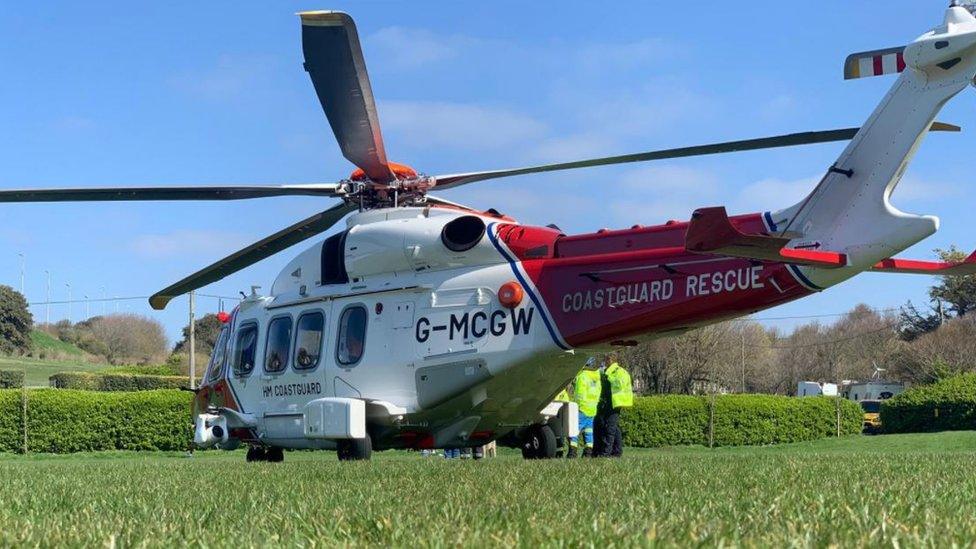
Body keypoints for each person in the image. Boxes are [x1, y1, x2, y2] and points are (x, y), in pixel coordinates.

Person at [595, 354, 633, 458]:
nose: (605, 361)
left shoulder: (617, 371)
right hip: (608, 402)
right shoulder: (607, 371)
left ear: (610, 359)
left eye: (606, 359)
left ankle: (606, 453)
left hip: (615, 402)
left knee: (610, 428)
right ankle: (617, 452)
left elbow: (619, 383)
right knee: (614, 428)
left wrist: (608, 376)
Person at [573, 359, 602, 457]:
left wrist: (577, 405)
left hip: (582, 408)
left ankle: (572, 452)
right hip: (592, 409)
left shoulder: (582, 376)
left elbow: (579, 393)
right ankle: (588, 453)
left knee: (574, 430)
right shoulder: (596, 378)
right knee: (589, 431)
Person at [554, 385, 575, 457]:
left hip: (557, 403)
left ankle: (560, 453)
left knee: (558, 429)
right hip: (563, 401)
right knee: (563, 429)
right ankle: (565, 452)